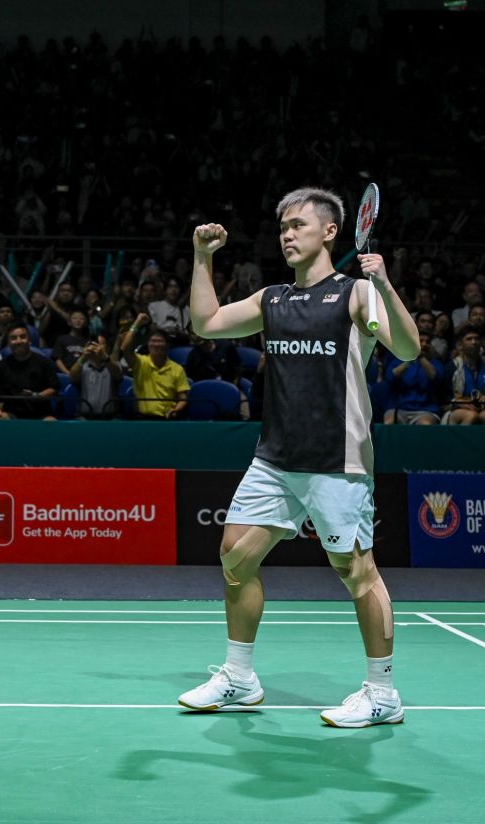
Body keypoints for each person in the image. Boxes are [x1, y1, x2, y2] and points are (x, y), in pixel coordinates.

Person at [178, 186, 420, 727]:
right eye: (282, 226)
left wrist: (382, 283)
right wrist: (201, 258)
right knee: (235, 557)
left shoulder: (356, 294)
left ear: (331, 232)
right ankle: (239, 678)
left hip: (338, 459)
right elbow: (206, 323)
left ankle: (382, 694)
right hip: (276, 459)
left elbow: (407, 348)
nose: (287, 234)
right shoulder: (273, 300)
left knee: (356, 572)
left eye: (299, 225)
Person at [0, 321, 59, 420]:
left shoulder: (44, 363)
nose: (18, 341)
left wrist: (36, 395)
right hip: (11, 414)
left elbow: (54, 389)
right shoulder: (2, 365)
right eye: (13, 338)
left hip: (41, 414)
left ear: (29, 341)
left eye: (22, 337)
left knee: (52, 422)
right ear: (8, 343)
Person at [121, 316, 190, 420]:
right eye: (152, 341)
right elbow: (125, 347)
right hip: (143, 419)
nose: (156, 344)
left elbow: (183, 399)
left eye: (159, 341)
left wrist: (176, 410)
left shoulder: (177, 369)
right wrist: (137, 322)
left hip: (167, 420)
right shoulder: (140, 362)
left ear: (167, 345)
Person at [446, 324, 485, 425]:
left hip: (482, 409)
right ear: (460, 345)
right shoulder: (452, 367)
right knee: (471, 415)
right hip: (456, 409)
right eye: (469, 339)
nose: (474, 342)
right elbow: (443, 395)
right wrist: (459, 402)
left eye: (477, 339)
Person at [385, 331, 445, 424]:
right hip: (400, 409)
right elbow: (391, 377)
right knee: (389, 422)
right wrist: (410, 357)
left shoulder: (436, 363)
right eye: (421, 341)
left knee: (425, 424)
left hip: (426, 410)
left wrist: (421, 357)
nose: (424, 344)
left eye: (427, 342)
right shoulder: (398, 361)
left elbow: (434, 377)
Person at [69, 334, 123, 419]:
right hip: (85, 417)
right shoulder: (82, 366)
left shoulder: (112, 365)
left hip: (109, 417)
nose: (96, 347)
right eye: (93, 345)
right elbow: (72, 376)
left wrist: (105, 356)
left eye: (101, 344)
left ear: (107, 348)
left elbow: (118, 374)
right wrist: (84, 356)